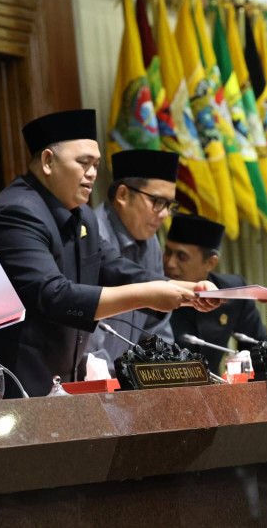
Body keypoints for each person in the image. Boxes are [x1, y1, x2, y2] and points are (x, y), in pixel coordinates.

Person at [0, 110, 220, 401]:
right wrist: (146, 295)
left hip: (46, 387)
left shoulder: (83, 217)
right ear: (48, 161)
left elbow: (112, 266)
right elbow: (53, 296)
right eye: (83, 163)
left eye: (96, 165)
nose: (92, 175)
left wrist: (186, 289)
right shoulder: (15, 213)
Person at [85, 149, 178, 371]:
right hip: (93, 378)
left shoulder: (151, 242)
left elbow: (157, 325)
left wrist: (164, 372)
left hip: (130, 383)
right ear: (123, 195)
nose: (164, 214)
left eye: (169, 205)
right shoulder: (90, 236)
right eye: (157, 201)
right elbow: (86, 332)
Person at [164, 214, 267, 373]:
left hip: (214, 393)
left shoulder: (232, 291)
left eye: (182, 256)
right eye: (168, 252)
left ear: (210, 263)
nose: (170, 263)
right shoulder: (152, 290)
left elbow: (257, 346)